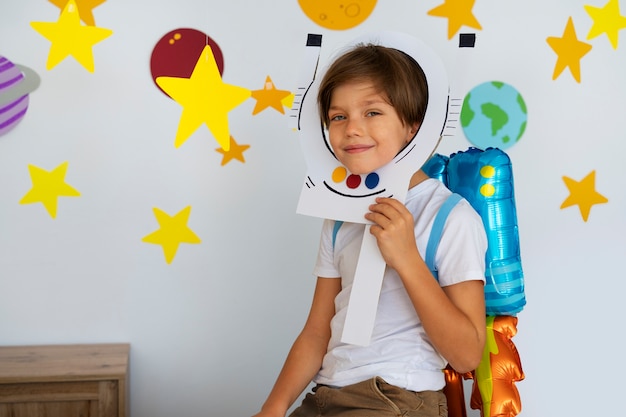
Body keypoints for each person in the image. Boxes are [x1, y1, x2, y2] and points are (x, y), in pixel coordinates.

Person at [253, 42, 488, 417]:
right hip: (326, 397)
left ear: (413, 127)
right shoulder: (338, 218)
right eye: (338, 116)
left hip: (397, 398)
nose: (351, 129)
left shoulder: (450, 217)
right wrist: (274, 407)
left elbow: (466, 355)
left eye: (372, 112)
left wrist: (407, 259)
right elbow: (317, 332)